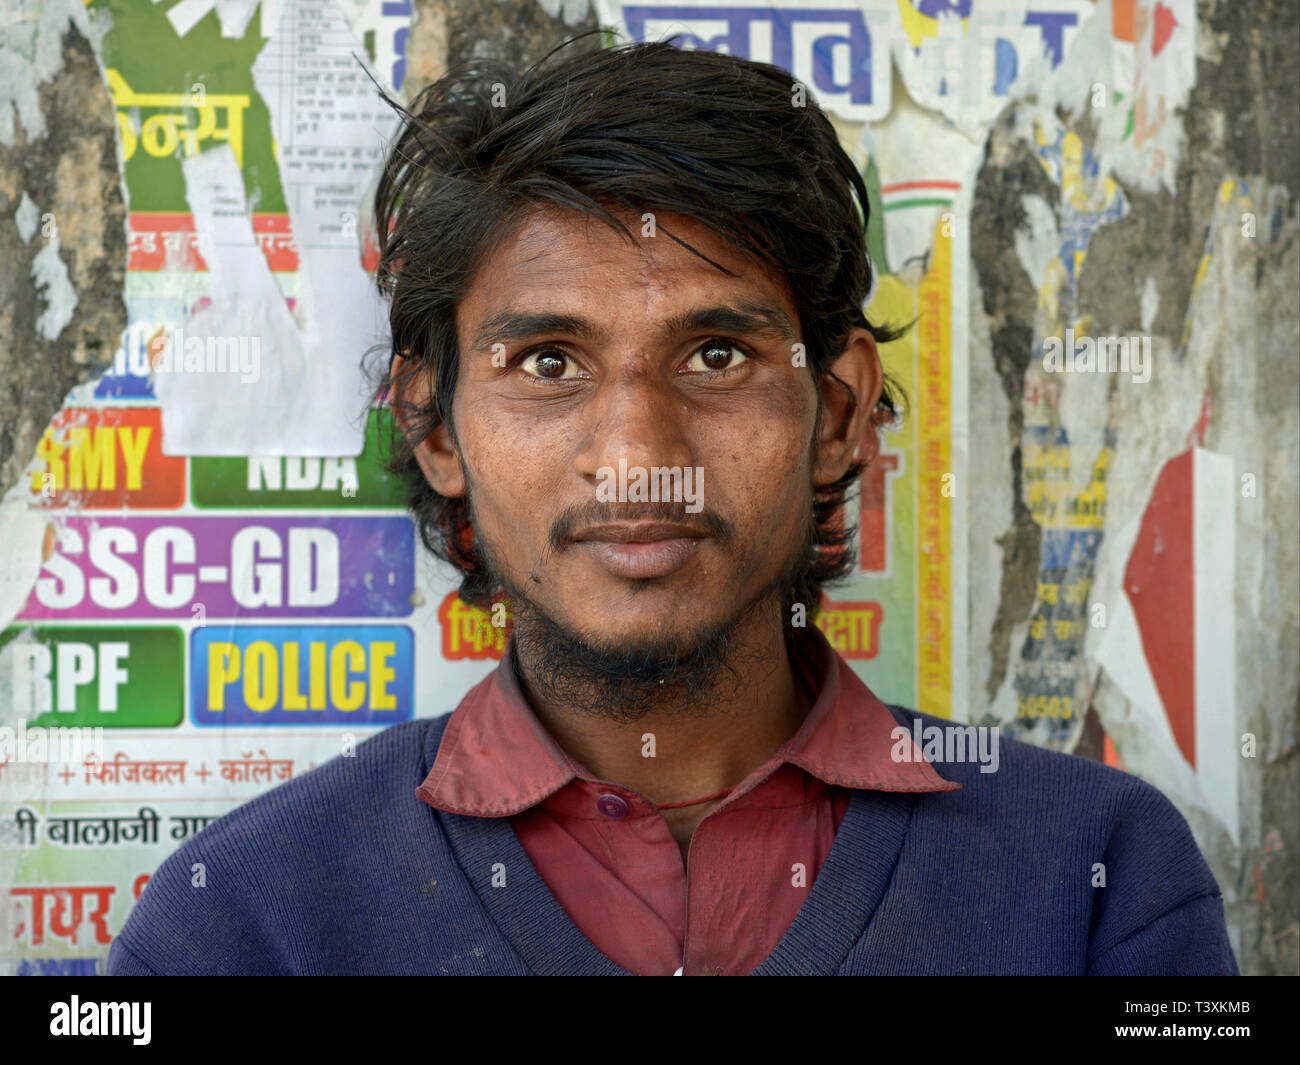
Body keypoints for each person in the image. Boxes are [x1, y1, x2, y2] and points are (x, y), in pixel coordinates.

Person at [107, 41, 1236, 976]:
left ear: (836, 411)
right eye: (547, 363)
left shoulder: (1097, 879)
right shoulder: (239, 926)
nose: (636, 455)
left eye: (714, 352)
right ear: (436, 429)